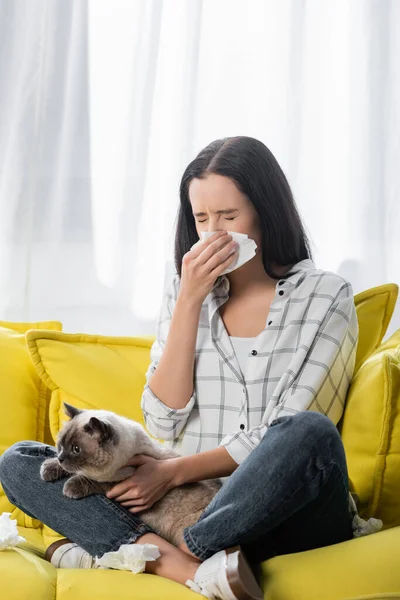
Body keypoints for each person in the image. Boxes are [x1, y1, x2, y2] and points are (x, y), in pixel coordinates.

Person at [0, 136, 360, 600]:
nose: (213, 233)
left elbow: (284, 429)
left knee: (309, 433)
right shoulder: (184, 292)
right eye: (201, 218)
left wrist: (172, 473)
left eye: (229, 217)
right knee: (22, 462)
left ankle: (155, 553)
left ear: (267, 213)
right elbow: (162, 420)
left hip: (282, 509)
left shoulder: (326, 295)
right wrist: (191, 300)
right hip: (178, 507)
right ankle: (193, 565)